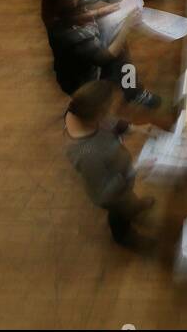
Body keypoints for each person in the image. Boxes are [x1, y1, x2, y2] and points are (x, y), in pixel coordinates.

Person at [40, 0, 160, 107]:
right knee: (119, 54)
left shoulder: (58, 13)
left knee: (120, 49)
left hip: (86, 62)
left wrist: (102, 11)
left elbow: (77, 16)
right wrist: (127, 27)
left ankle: (132, 90)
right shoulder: (68, 35)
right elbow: (105, 58)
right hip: (84, 79)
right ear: (63, 2)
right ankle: (133, 94)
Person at [64, 80, 156, 247]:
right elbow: (104, 192)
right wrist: (132, 171)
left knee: (128, 198)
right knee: (119, 213)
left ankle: (134, 207)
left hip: (121, 177)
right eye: (109, 106)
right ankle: (124, 236)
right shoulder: (88, 153)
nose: (113, 110)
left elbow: (111, 121)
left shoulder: (86, 116)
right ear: (98, 113)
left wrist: (135, 128)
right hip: (112, 194)